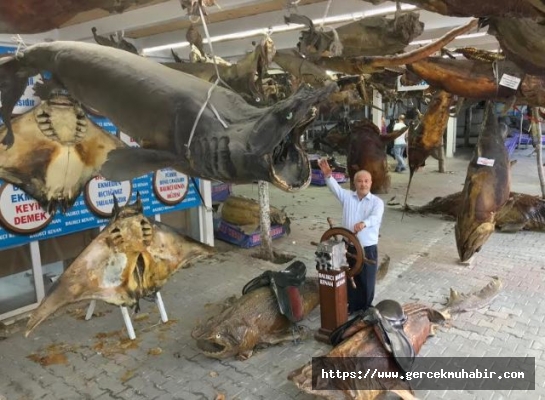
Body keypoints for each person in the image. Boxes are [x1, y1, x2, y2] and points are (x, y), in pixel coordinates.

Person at [318, 159, 385, 314]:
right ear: (355, 183)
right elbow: (335, 189)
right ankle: (353, 306)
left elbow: (376, 217)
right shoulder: (347, 197)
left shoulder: (377, 202)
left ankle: (366, 308)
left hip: (367, 248)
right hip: (349, 247)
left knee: (367, 280)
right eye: (360, 181)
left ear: (371, 183)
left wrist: (364, 223)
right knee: (350, 277)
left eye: (366, 181)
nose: (363, 184)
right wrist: (328, 176)